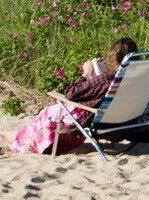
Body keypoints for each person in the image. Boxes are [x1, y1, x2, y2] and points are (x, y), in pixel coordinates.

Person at [7, 37, 138, 154]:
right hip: (125, 121)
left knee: (50, 112)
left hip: (90, 121)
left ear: (112, 58)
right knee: (56, 114)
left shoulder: (106, 81)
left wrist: (86, 74)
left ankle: (18, 139)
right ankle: (16, 135)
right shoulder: (138, 79)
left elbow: (71, 94)